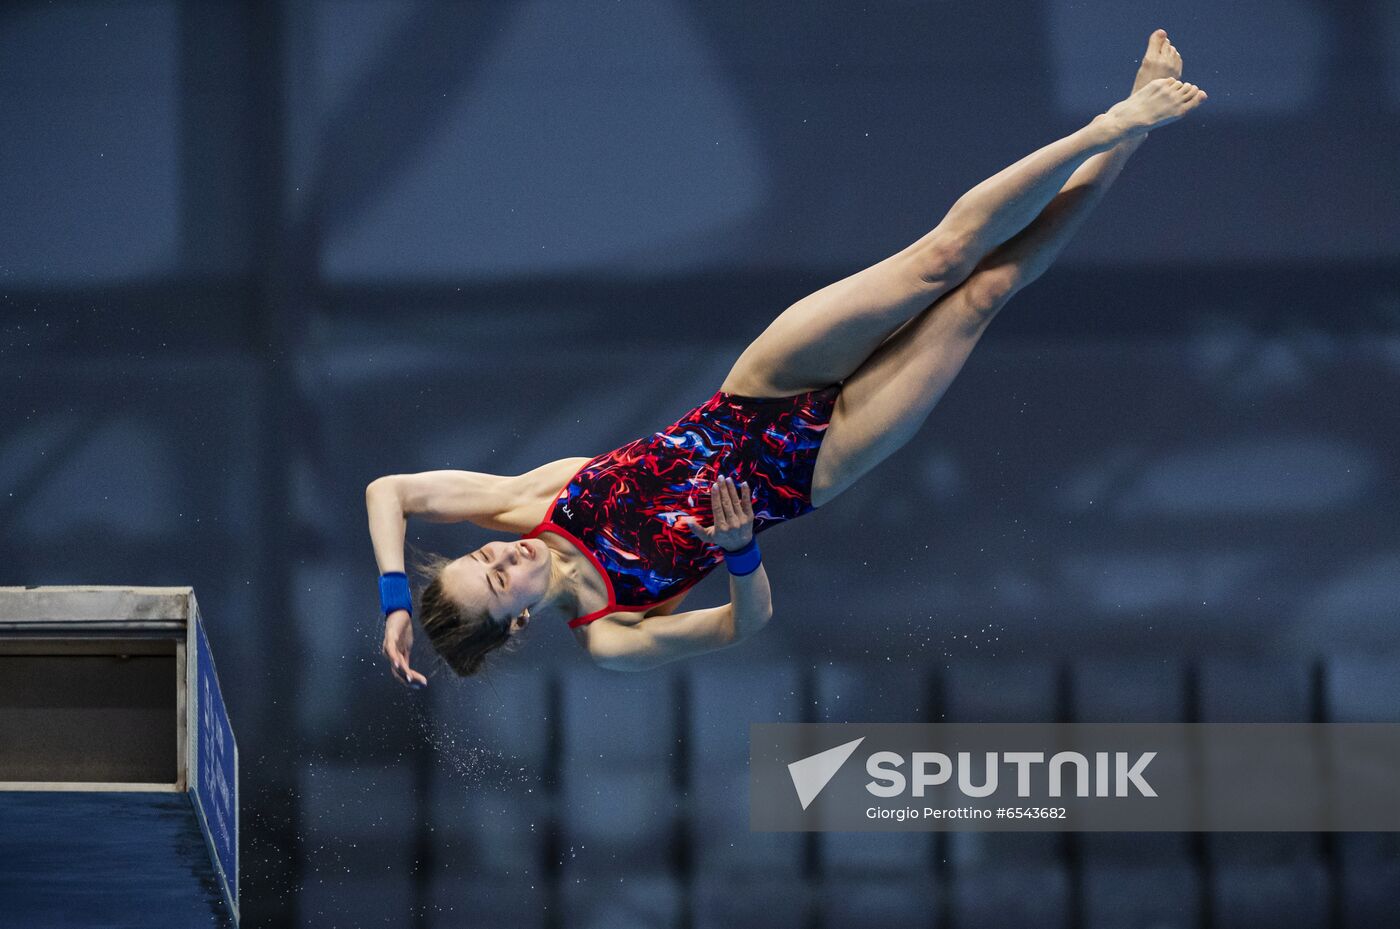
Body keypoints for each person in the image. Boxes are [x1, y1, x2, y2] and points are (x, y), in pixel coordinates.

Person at [365, 31, 1202, 683]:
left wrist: (396, 598)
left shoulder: (527, 504)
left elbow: (391, 490)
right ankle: (1135, 133)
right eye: (499, 581)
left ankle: (1106, 123)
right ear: (517, 622)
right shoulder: (610, 636)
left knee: (940, 261)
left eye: (482, 556)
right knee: (989, 292)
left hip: (758, 392)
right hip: (810, 471)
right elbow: (744, 624)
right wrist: (739, 552)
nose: (503, 557)